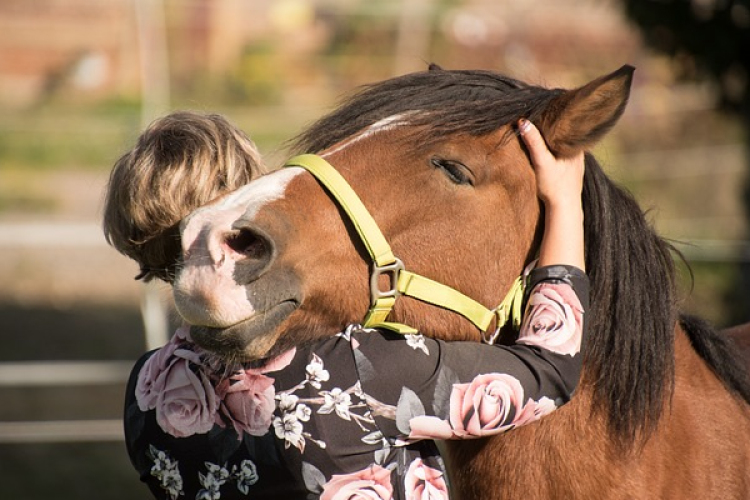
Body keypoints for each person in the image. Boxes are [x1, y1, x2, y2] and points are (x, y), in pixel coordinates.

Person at [103, 112, 587, 500]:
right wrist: (566, 202)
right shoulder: (349, 368)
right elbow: (551, 370)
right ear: (246, 204)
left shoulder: (144, 392)